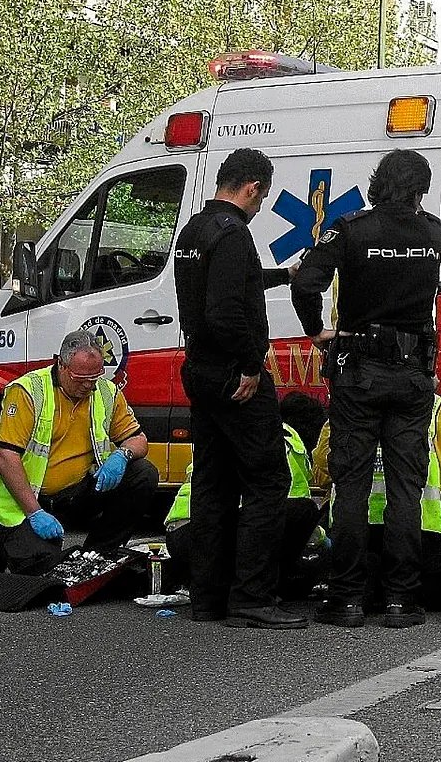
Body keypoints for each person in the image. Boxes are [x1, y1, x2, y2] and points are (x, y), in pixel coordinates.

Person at [291, 149, 441, 629]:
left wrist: (316, 331)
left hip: (358, 371)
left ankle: (347, 598)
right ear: (420, 188)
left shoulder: (351, 228)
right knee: (405, 486)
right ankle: (401, 599)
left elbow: (306, 284)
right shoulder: (432, 232)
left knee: (351, 484)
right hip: (414, 372)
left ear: (378, 182)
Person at [174, 147, 304, 629]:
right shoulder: (235, 235)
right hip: (235, 376)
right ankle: (253, 596)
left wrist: (281, 276)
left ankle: (207, 597)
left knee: (213, 485)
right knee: (268, 481)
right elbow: (225, 311)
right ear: (251, 187)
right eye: (262, 197)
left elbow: (222, 287)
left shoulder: (195, 230)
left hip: (201, 372)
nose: (260, 206)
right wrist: (252, 365)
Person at [0, 331, 157, 576]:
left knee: (143, 473)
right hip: (28, 502)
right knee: (45, 570)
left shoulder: (105, 391)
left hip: (76, 495)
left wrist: (122, 455)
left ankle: (97, 555)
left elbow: (138, 440)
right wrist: (35, 512)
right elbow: (5, 456)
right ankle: (2, 545)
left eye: (94, 378)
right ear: (61, 364)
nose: (88, 385)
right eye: (80, 378)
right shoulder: (29, 391)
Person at [163, 392, 327, 596]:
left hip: (180, 535)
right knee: (305, 511)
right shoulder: (291, 445)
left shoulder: (241, 430)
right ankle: (265, 587)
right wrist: (324, 541)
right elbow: (284, 515)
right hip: (212, 539)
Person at [363, 389, 441, 611]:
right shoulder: (436, 407)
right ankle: (401, 596)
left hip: (362, 530)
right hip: (422, 530)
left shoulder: (352, 402)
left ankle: (366, 583)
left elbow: (324, 465)